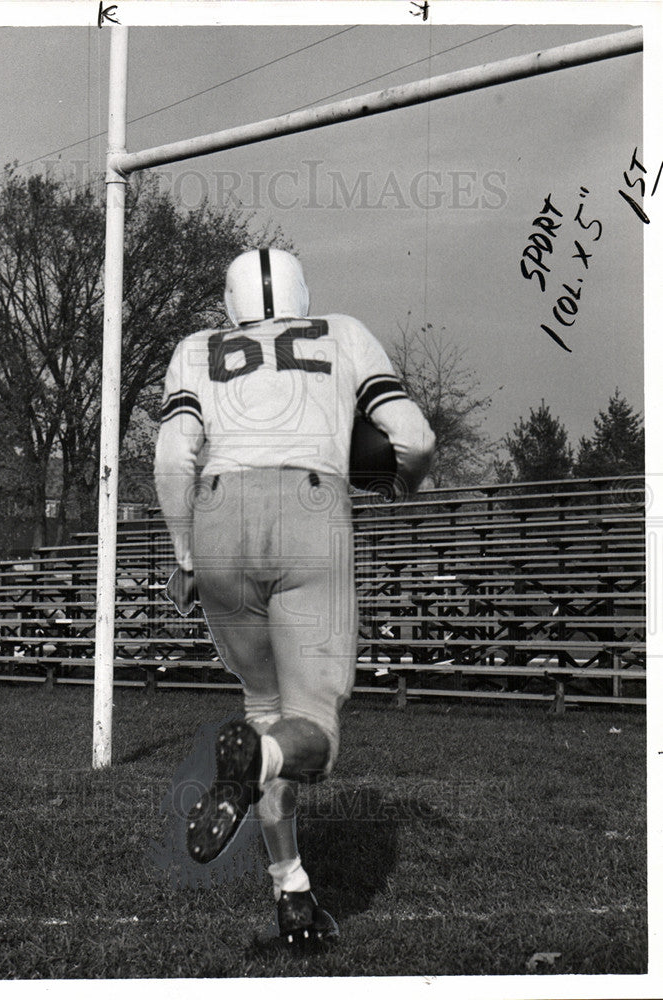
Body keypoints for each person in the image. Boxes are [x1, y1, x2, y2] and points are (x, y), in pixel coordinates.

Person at [154, 248, 435, 948]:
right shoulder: (339, 331)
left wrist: (185, 551)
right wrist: (404, 484)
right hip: (308, 508)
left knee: (265, 715)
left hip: (217, 517)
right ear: (301, 293)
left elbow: (169, 458)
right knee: (309, 728)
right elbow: (415, 437)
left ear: (229, 300)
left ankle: (293, 892)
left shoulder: (195, 348)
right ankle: (256, 768)